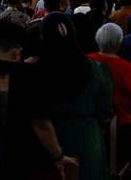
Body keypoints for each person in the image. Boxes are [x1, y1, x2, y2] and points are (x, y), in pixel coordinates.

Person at [0, 21, 77, 178]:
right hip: (13, 164)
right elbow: (40, 123)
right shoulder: (26, 74)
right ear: (17, 52)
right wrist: (58, 156)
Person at [39, 13, 113, 180]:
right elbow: (105, 109)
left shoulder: (34, 71)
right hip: (87, 136)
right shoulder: (96, 69)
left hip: (49, 139)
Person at [87, 23, 131, 165]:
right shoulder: (125, 67)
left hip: (91, 122)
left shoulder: (87, 61)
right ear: (119, 42)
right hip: (119, 123)